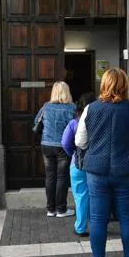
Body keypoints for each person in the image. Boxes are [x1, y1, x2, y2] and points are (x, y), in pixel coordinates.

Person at [76, 68, 129, 257]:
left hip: (96, 172)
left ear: (103, 85)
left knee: (97, 219)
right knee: (127, 218)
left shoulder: (90, 109)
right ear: (124, 85)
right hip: (126, 171)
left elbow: (79, 141)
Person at [34, 81, 76, 218]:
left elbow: (36, 122)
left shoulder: (46, 106)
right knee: (62, 177)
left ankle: (50, 209)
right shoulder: (71, 108)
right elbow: (76, 127)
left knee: (50, 176)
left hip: (46, 144)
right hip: (63, 146)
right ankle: (61, 209)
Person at [61, 92, 97, 237]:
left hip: (78, 163)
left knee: (81, 195)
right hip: (96, 163)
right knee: (96, 195)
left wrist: (72, 154)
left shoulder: (74, 123)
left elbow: (65, 143)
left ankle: (81, 227)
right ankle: (97, 224)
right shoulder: (98, 121)